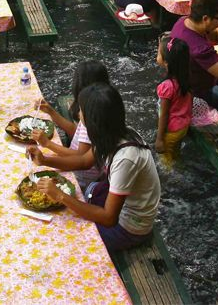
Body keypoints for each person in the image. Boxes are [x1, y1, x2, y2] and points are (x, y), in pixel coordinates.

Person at [30, 84, 161, 251]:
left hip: (129, 228)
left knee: (67, 236)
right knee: (81, 197)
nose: (78, 114)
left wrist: (60, 195)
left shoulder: (125, 159)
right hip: (120, 205)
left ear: (94, 121)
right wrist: (44, 160)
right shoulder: (112, 132)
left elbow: (108, 218)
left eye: (82, 111)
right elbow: (84, 161)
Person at [34, 62, 112, 189]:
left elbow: (80, 158)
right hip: (76, 167)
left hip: (80, 178)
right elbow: (77, 132)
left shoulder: (93, 117)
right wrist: (51, 112)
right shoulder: (97, 109)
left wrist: (47, 144)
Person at [155, 38, 193, 165]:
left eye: (159, 52)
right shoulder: (186, 77)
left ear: (166, 62)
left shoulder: (167, 86)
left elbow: (164, 114)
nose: (157, 54)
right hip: (183, 126)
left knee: (167, 162)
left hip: (171, 131)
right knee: (174, 153)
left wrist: (160, 139)